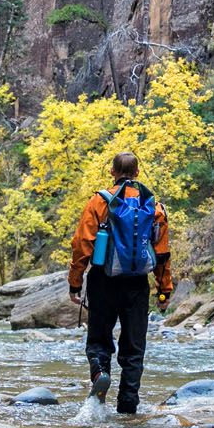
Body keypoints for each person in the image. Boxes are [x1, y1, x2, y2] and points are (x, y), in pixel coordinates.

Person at [68, 151, 172, 414]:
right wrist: (164, 291)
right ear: (137, 173)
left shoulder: (99, 202)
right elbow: (161, 254)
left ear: (112, 172)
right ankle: (127, 408)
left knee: (99, 340)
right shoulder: (154, 206)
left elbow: (82, 245)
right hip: (137, 284)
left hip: (103, 280)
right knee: (134, 348)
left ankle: (101, 372)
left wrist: (75, 283)